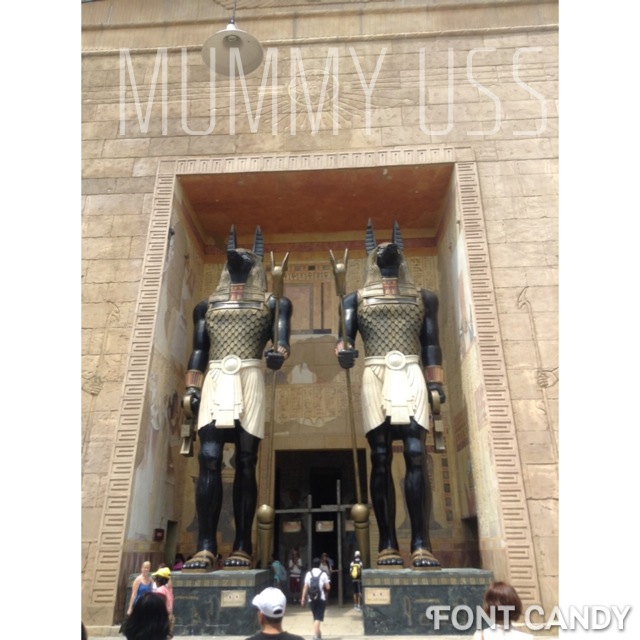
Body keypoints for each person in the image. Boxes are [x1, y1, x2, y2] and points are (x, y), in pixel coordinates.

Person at [335, 220, 446, 569]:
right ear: (371, 259)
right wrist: (344, 352)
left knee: (415, 453)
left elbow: (431, 344)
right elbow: (344, 339)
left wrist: (435, 382)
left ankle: (421, 543)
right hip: (375, 373)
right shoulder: (354, 299)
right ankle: (387, 543)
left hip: (411, 370)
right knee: (380, 456)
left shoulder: (423, 298)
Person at [182, 226, 292, 571]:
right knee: (209, 458)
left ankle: (243, 545)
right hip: (216, 377)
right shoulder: (207, 306)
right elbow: (199, 351)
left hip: (250, 376)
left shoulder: (272, 303)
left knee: (246, 460)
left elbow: (280, 343)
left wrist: (278, 354)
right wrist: (192, 387)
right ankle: (205, 545)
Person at [301, 557, 330, 640]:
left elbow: (305, 586)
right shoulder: (323, 574)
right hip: (321, 598)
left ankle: (318, 634)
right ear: (319, 564)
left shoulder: (308, 574)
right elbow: (328, 587)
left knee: (315, 617)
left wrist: (303, 598)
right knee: (317, 618)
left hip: (311, 599)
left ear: (312, 564)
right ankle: (315, 636)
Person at [152, 567, 174, 638]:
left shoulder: (160, 591)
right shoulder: (168, 590)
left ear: (159, 580)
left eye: (156, 579)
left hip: (161, 619)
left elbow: (159, 606)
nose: (155, 581)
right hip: (167, 618)